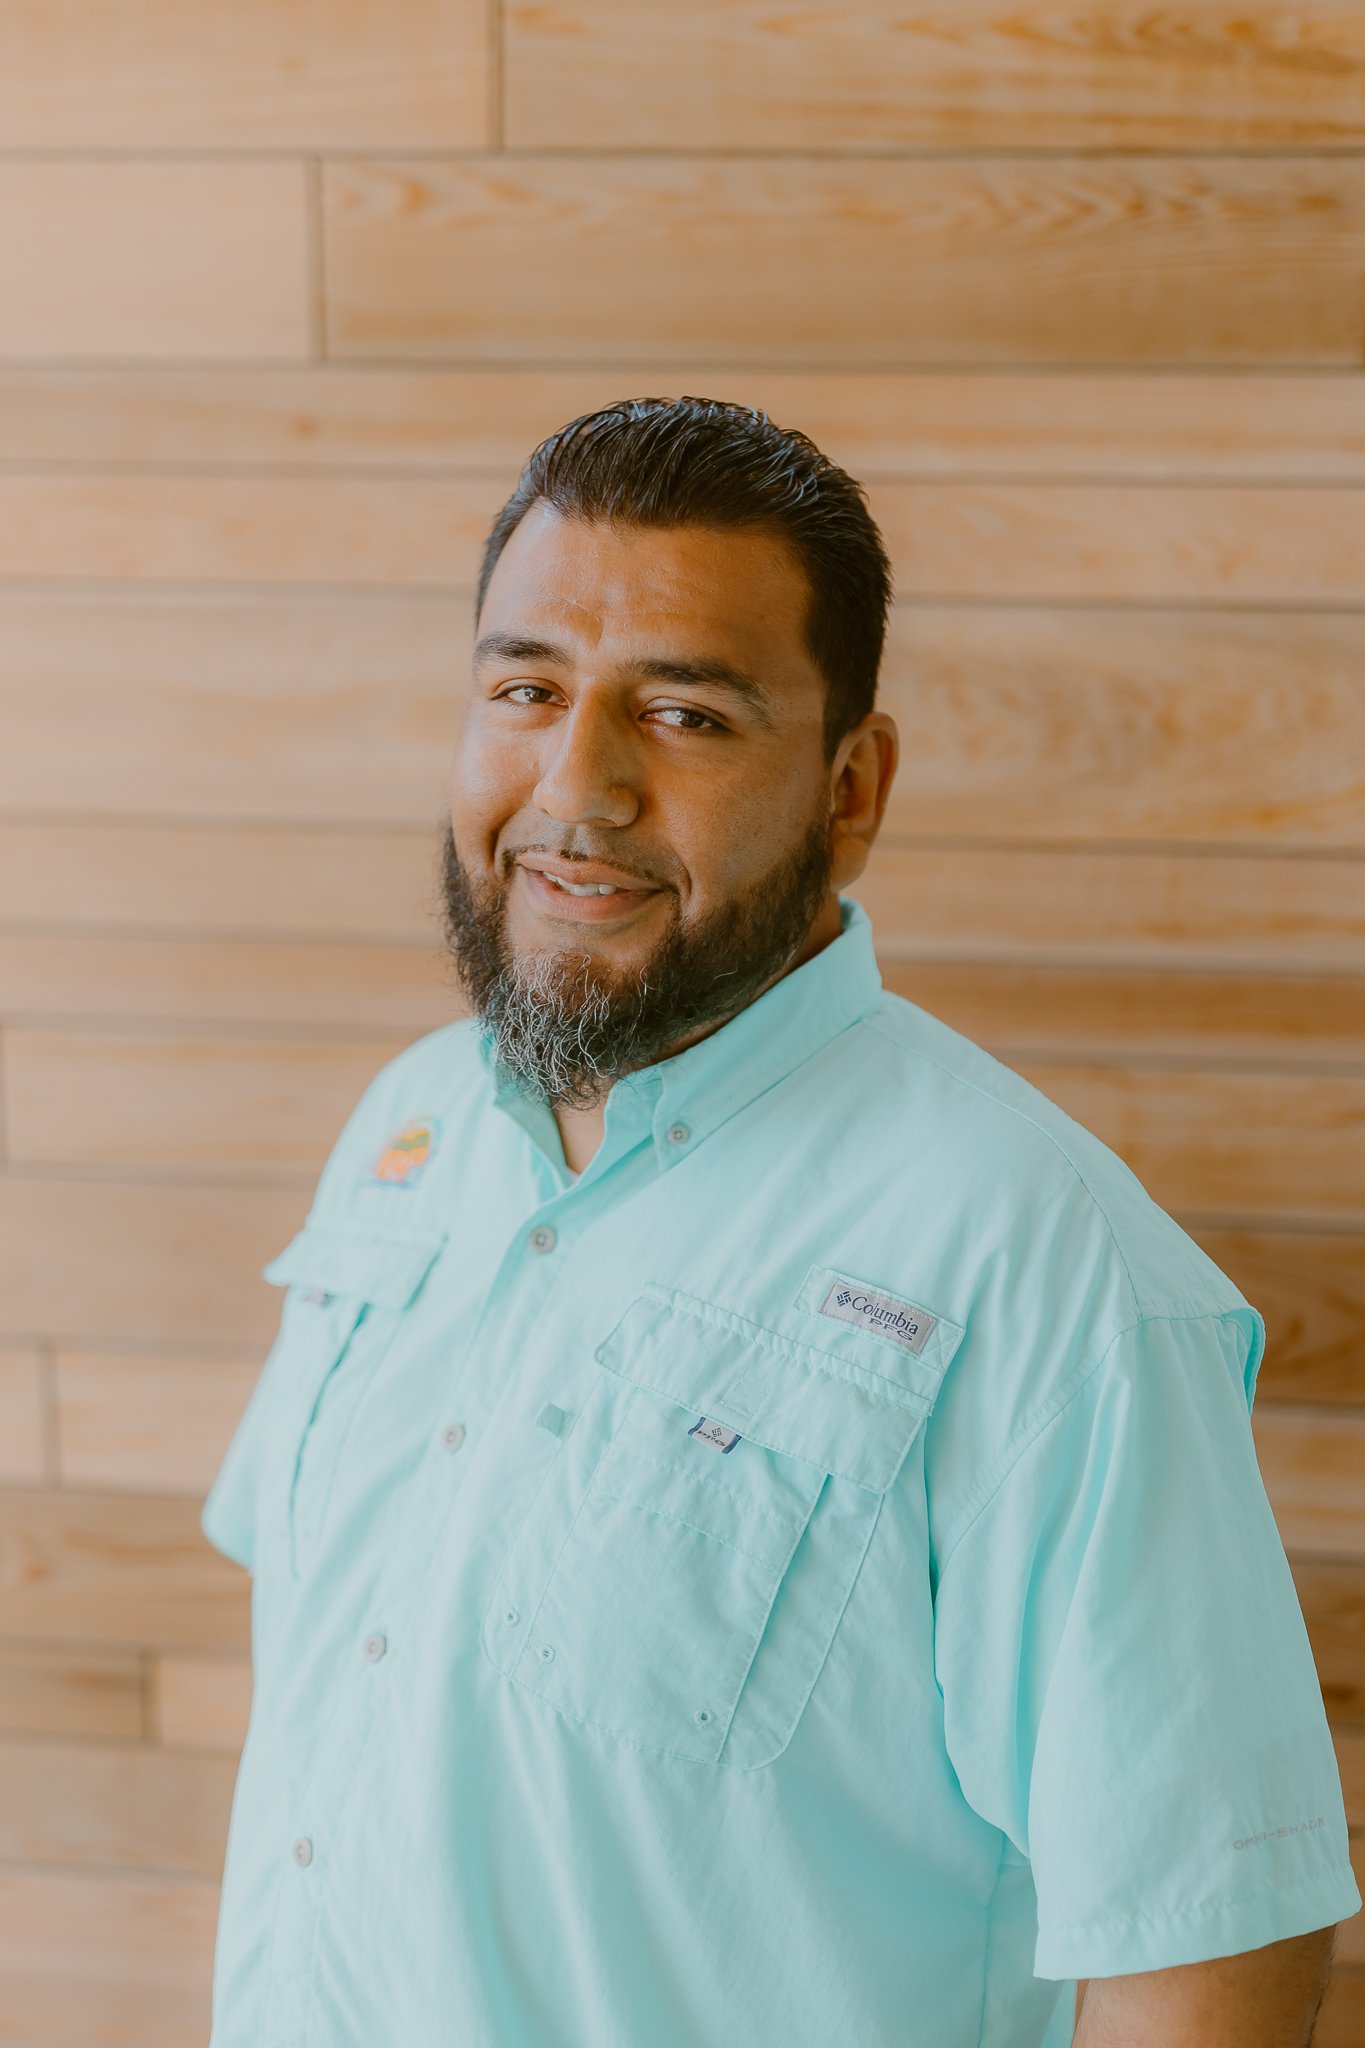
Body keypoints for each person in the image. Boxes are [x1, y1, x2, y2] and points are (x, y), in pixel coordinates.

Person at [200, 397, 1359, 2048]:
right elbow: (355, 1691)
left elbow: (1207, 1945)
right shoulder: (408, 1126)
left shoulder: (1046, 1272)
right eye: (524, 689)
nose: (574, 788)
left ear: (851, 785)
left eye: (682, 714)